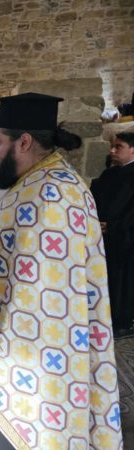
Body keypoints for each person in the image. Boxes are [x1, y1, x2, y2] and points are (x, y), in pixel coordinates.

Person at [0, 93, 123, 449]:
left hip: (25, 350)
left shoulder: (54, 193)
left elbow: (42, 296)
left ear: (23, 142)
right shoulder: (31, 180)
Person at [91, 132, 134, 338]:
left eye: (119, 147)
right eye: (112, 146)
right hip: (104, 238)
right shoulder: (109, 174)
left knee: (123, 281)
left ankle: (122, 322)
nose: (112, 151)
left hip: (126, 239)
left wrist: (114, 226)